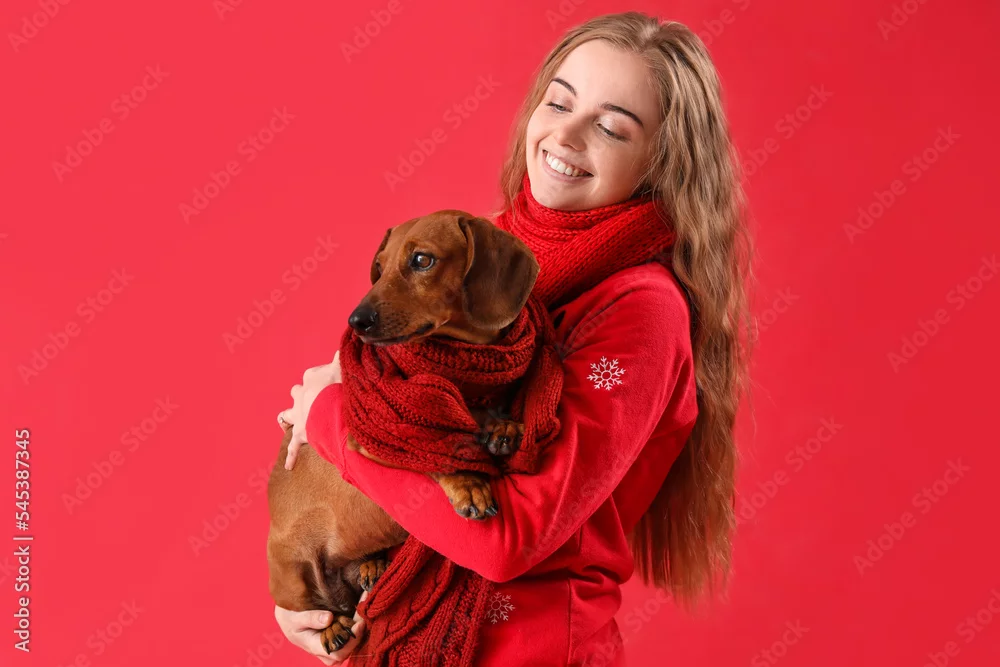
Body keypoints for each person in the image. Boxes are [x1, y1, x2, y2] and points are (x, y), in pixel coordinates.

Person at [276, 11, 753, 666]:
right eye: (559, 102)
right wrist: (308, 589)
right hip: (395, 631)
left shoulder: (641, 311)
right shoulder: (484, 256)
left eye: (611, 127)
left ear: (662, 163)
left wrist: (330, 420)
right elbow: (386, 437)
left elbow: (508, 540)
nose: (567, 134)